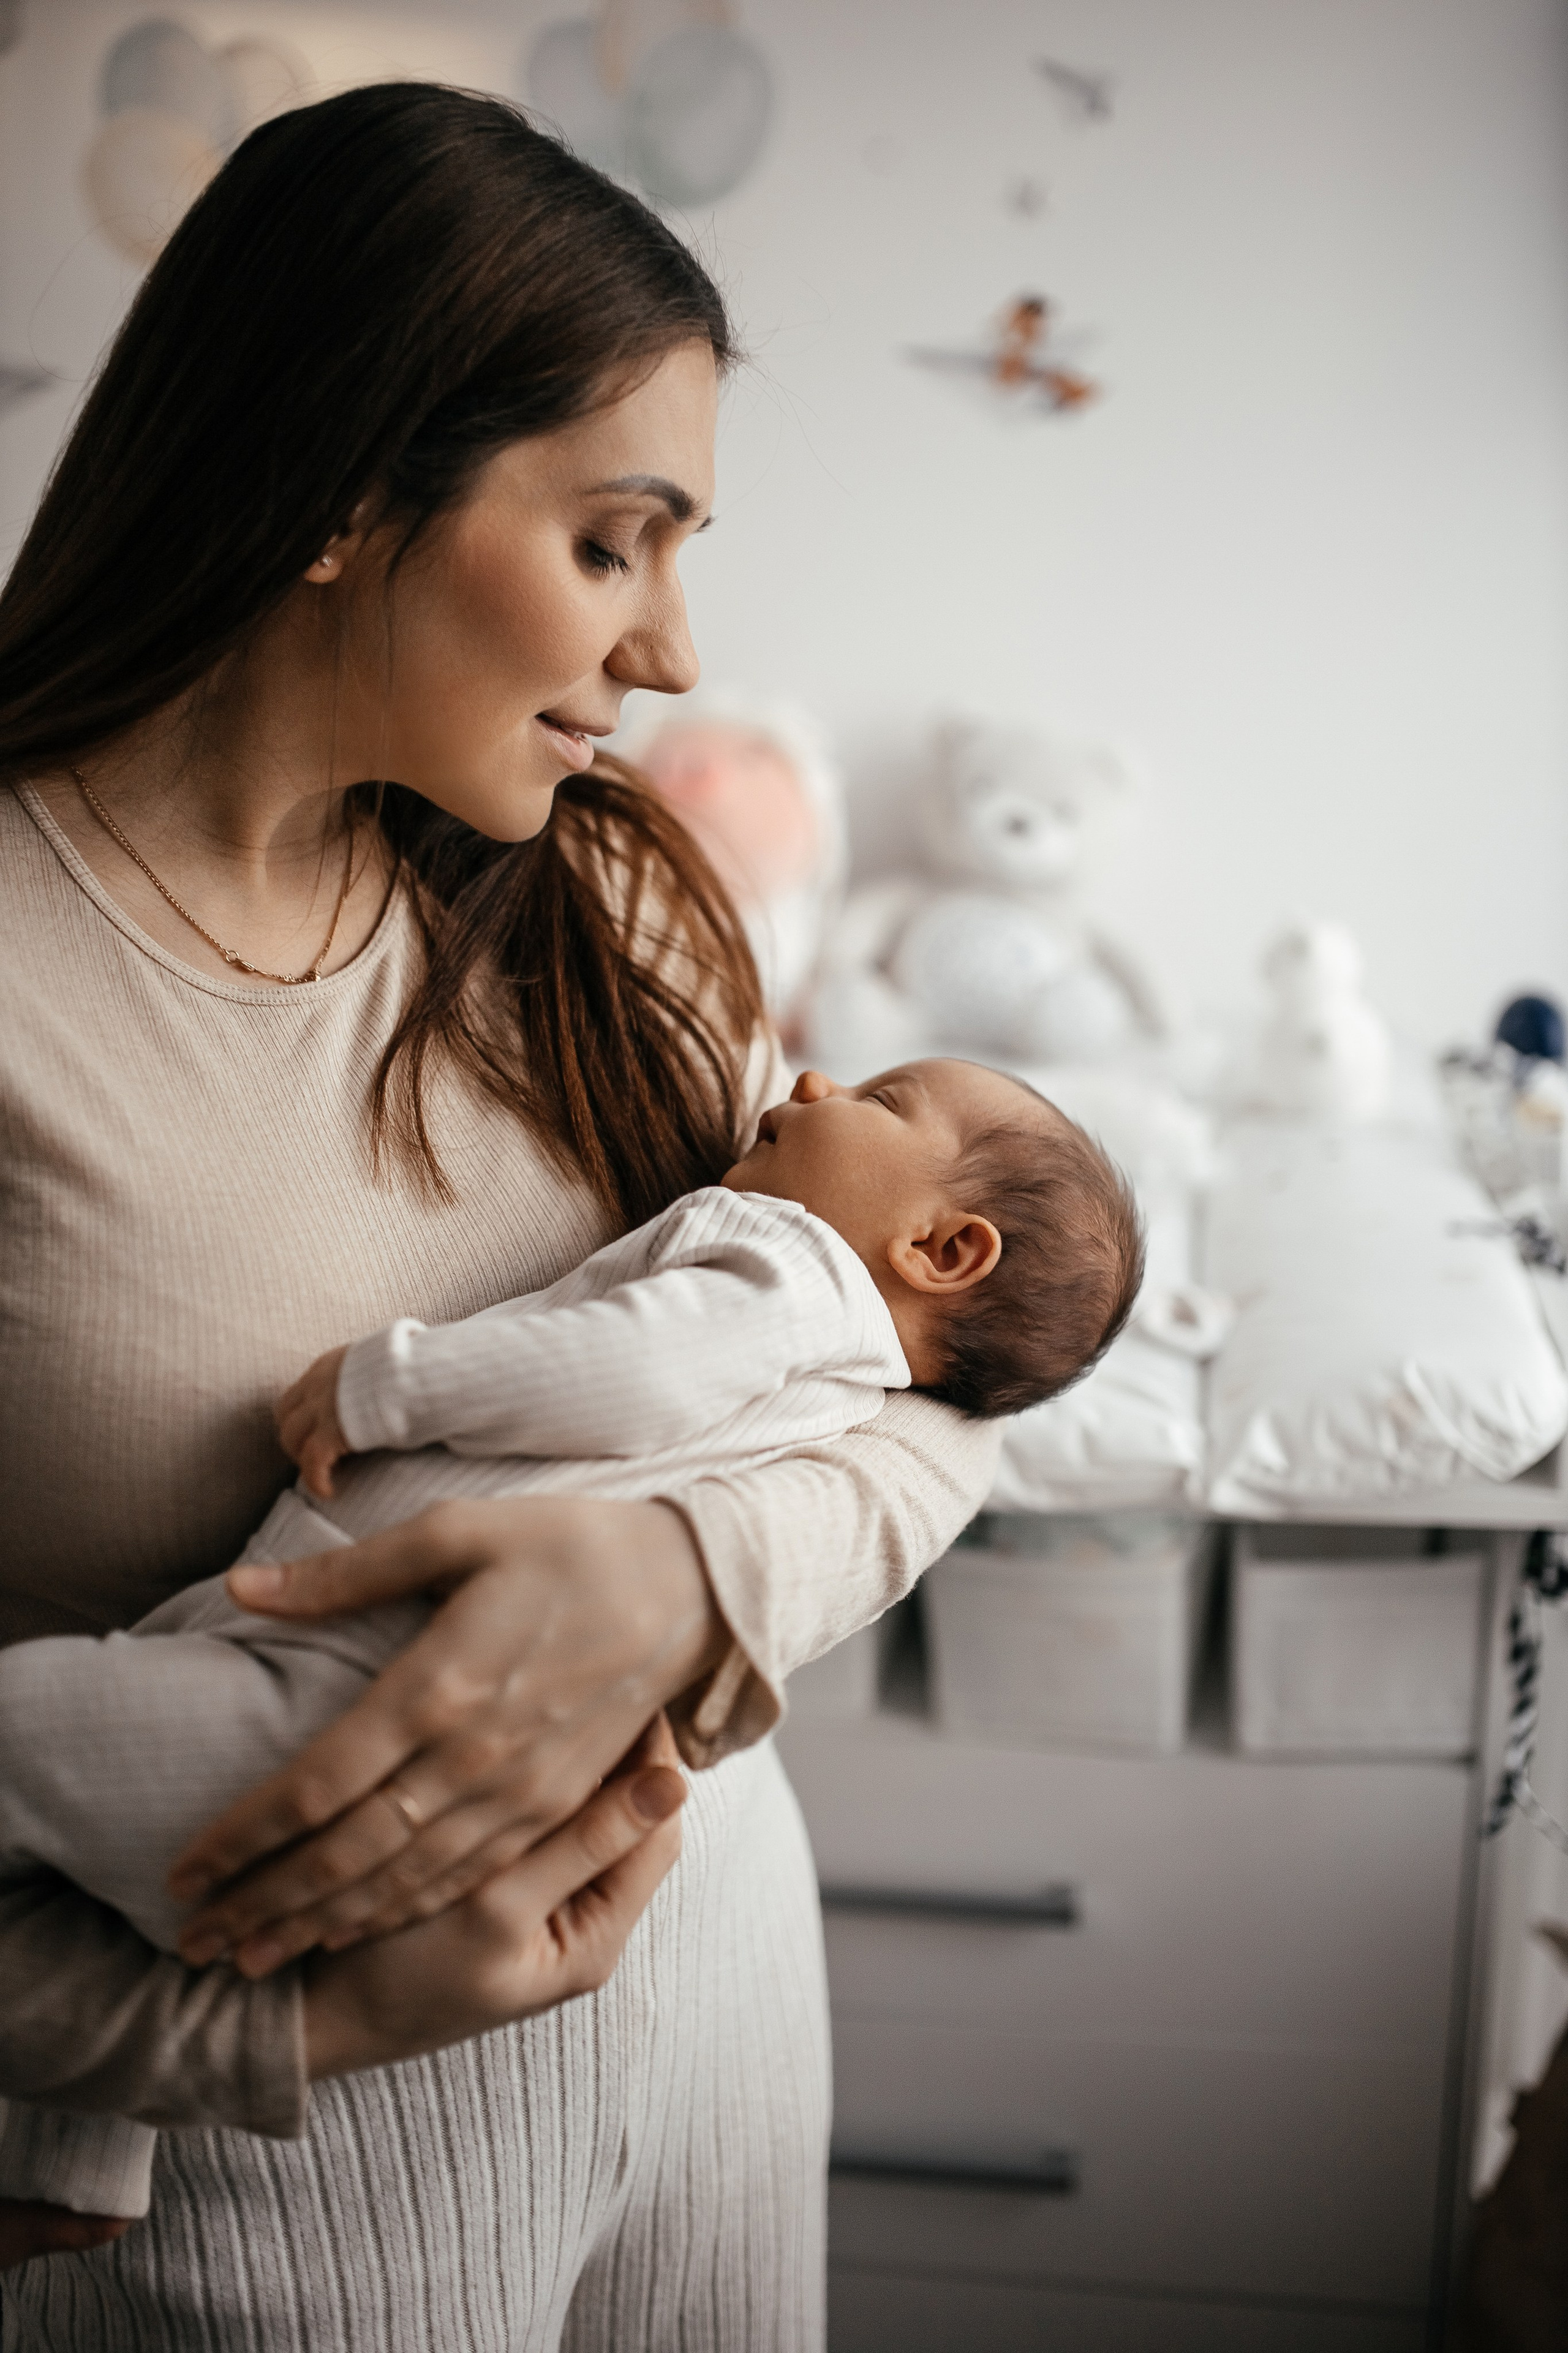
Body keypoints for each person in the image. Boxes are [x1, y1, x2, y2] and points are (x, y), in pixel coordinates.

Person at [0, 83, 1001, 2351]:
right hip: (257, 2191)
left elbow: (946, 1387)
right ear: (348, 489)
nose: (672, 652)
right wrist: (280, 2039)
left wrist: (681, 1570)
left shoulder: (603, 899)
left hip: (718, 1984)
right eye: (617, 540)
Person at [0, 1053, 1142, 2223]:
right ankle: (69, 2166)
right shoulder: (855, 1377)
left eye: (883, 1101)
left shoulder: (794, 1265)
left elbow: (630, 1365)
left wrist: (389, 1384)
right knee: (147, 1884)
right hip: (436, 1734)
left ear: (944, 1250)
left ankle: (65, 2151)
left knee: (26, 1736)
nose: (811, 1078)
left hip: (362, 1687)